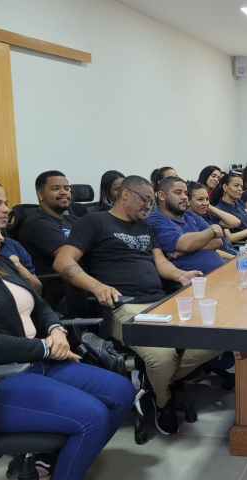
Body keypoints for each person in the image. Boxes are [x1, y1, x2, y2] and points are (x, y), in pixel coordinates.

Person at [0, 202, 135, 480]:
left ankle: (52, 465)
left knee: (121, 391)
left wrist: (55, 331)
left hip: (34, 363)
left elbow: (40, 306)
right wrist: (44, 347)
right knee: (92, 417)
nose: (0, 236)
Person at [52, 176, 220, 435]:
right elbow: (62, 261)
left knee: (218, 336)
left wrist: (179, 275)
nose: (148, 207)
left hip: (160, 300)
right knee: (162, 356)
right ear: (126, 194)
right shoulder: (94, 222)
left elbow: (160, 262)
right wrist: (97, 286)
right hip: (124, 306)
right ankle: (163, 401)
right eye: (146, 200)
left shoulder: (144, 226)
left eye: (152, 202)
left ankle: (151, 383)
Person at [18, 171, 80, 308]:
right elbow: (68, 257)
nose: (64, 192)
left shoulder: (73, 220)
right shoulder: (37, 223)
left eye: (67, 188)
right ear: (40, 195)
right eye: (55, 188)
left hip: (79, 287)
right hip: (62, 293)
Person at [147, 176, 224, 274]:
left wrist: (184, 251)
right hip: (192, 279)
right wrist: (213, 230)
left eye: (186, 193)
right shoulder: (155, 220)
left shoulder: (189, 215)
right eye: (178, 193)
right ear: (162, 195)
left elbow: (218, 242)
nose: (184, 197)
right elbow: (185, 244)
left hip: (218, 270)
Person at [187, 181, 239, 258]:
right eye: (200, 199)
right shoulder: (188, 221)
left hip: (231, 250)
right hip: (223, 257)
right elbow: (209, 248)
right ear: (188, 201)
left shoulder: (207, 214)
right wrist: (234, 258)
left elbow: (235, 223)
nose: (205, 202)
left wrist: (209, 207)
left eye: (207, 198)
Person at [209, 172, 247, 243]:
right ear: (225, 187)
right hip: (240, 245)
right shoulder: (219, 209)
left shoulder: (240, 202)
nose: (240, 189)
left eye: (241, 186)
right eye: (236, 186)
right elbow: (229, 238)